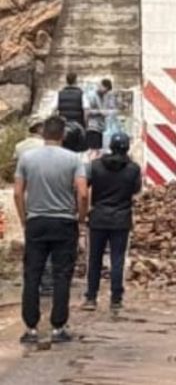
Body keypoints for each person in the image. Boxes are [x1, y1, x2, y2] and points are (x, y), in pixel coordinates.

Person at [14, 116, 87, 344]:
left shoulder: (26, 158)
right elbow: (83, 193)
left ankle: (31, 328)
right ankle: (58, 327)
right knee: (61, 275)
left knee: (32, 275)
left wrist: (25, 219)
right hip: (64, 222)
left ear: (43, 133)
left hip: (36, 221)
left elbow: (17, 193)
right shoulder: (74, 159)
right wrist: (81, 219)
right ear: (63, 135)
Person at [82, 132, 140, 312]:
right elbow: (136, 190)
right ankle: (116, 299)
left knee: (94, 259)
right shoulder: (133, 169)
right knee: (118, 260)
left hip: (98, 218)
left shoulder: (95, 166)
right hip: (121, 220)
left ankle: (91, 298)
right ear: (127, 148)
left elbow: (85, 186)